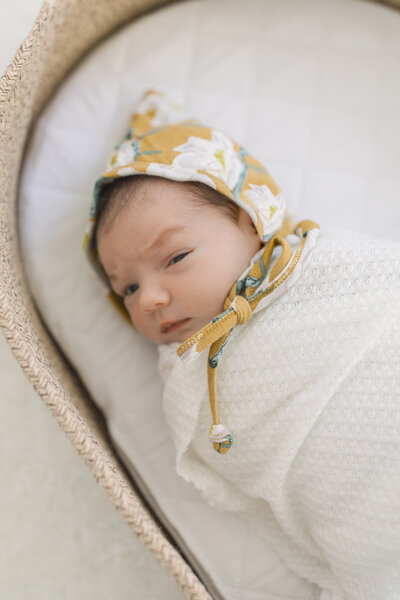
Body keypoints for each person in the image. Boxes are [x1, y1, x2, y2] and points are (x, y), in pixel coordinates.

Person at [84, 90, 400, 600]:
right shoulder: (187, 375)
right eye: (128, 288)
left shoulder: (321, 267)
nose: (150, 300)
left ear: (250, 222)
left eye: (176, 256)